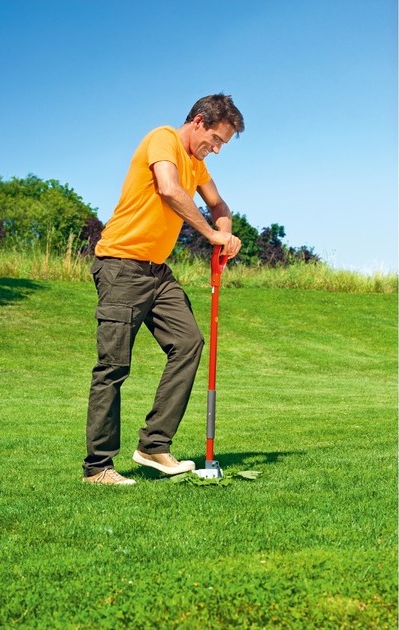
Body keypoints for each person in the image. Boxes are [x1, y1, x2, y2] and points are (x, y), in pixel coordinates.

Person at [82, 93, 246, 485]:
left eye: (223, 144)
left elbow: (220, 206)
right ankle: (98, 468)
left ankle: (154, 445)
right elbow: (170, 189)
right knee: (113, 366)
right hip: (120, 265)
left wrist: (224, 233)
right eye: (216, 139)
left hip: (157, 272)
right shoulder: (164, 139)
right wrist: (209, 233)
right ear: (199, 121)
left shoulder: (197, 164)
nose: (216, 150)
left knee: (189, 343)